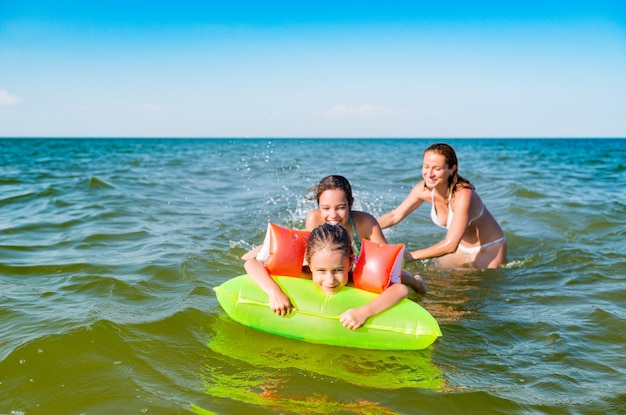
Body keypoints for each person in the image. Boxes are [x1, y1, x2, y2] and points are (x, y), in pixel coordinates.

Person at [244, 223, 409, 330]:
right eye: (321, 271)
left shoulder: (354, 280)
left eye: (338, 270)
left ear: (350, 262)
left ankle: (416, 280)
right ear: (309, 263)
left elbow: (400, 290)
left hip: (363, 266)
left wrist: (364, 312)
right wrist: (274, 292)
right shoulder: (303, 273)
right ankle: (261, 248)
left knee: (401, 276)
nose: (330, 280)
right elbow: (251, 264)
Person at [377, 143, 506, 269]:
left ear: (452, 169)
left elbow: (450, 245)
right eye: (426, 167)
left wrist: (410, 256)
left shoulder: (463, 195)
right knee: (431, 274)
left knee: (465, 285)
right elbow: (394, 216)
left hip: (489, 249)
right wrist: (363, 226)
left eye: (437, 169)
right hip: (462, 248)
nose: (429, 173)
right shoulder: (422, 190)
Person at [304, 175, 427, 293]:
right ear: (319, 206)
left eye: (340, 207)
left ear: (350, 203)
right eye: (326, 208)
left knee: (390, 272)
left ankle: (417, 283)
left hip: (359, 263)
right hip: (335, 267)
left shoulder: (365, 222)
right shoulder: (314, 219)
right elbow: (309, 256)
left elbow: (388, 263)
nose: (333, 215)